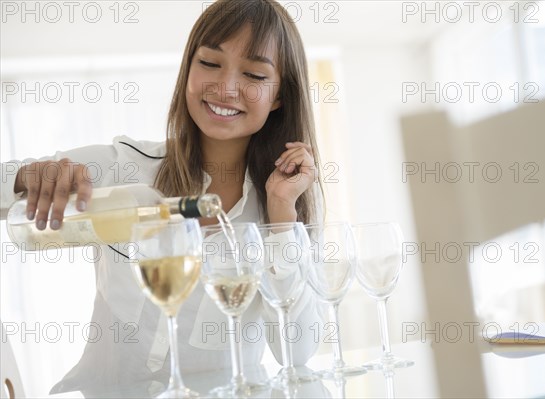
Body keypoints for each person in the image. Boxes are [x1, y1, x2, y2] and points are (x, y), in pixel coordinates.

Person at [0, 0, 325, 393]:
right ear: (188, 68)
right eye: (209, 63)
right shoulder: (122, 168)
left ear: (279, 97)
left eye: (254, 74)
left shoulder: (290, 201)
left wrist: (280, 214)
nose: (225, 88)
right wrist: (26, 177)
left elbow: (298, 351)